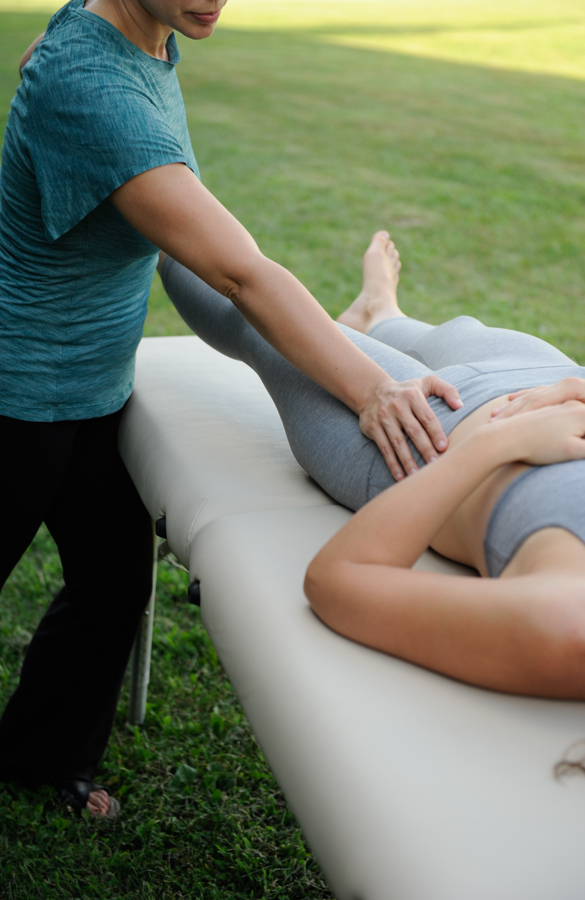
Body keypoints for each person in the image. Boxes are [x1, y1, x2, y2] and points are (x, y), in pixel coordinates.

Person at [0, 2, 461, 816]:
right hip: (19, 391)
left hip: (90, 384)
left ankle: (41, 759)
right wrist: (372, 387)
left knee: (110, 580)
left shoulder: (127, 31)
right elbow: (241, 275)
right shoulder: (97, 92)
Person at [158, 232, 585, 701]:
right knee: (439, 333)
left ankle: (143, 203)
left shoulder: (572, 627)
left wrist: (501, 441)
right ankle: (378, 310)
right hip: (559, 381)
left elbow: (337, 581)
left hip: (423, 435)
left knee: (254, 316)